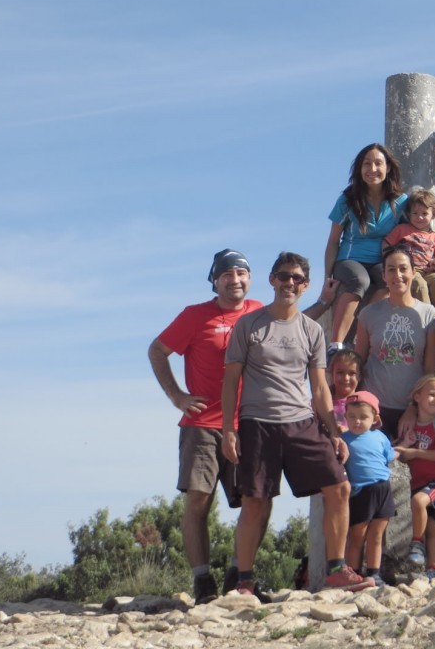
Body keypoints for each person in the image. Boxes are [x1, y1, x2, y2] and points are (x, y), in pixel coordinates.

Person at [221, 252, 374, 594]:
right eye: (284, 276)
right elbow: (230, 381)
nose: (289, 283)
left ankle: (336, 569)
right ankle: (244, 582)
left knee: (339, 487)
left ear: (305, 286)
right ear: (272, 279)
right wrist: (229, 430)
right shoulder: (248, 325)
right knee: (255, 501)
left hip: (301, 421)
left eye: (297, 278)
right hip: (256, 422)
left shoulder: (312, 331)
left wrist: (334, 433)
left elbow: (320, 387)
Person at [148, 249, 264, 604]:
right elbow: (157, 350)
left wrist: (324, 300)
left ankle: (237, 573)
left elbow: (296, 325)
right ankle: (202, 582)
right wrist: (176, 396)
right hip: (202, 423)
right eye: (227, 274)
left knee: (258, 499)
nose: (235, 279)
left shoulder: (260, 312)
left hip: (248, 422)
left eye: (241, 273)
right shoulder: (195, 315)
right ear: (215, 281)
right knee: (199, 500)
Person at [324, 143, 408, 354]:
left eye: (378, 163)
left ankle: (364, 334)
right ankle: (336, 343)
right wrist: (328, 277)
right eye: (366, 164)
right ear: (359, 169)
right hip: (350, 258)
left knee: (388, 279)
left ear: (388, 167)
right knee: (360, 281)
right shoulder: (348, 199)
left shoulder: (401, 201)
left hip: (382, 258)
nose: (372, 169)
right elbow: (333, 240)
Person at [354, 245, 435, 440]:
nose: (398, 275)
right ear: (384, 275)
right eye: (391, 269)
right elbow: (358, 361)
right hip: (373, 408)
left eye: (403, 268)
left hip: (412, 408)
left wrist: (414, 407)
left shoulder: (429, 314)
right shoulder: (368, 314)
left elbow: (431, 370)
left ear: (413, 272)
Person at [395, 375, 435, 578]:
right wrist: (404, 444)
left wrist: (416, 453)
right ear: (417, 396)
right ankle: (434, 568)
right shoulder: (411, 427)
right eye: (432, 394)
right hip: (418, 481)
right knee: (433, 524)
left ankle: (416, 544)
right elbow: (401, 456)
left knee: (418, 502)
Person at [340, 391, 397, 581]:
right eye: (352, 417)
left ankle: (374, 574)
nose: (357, 421)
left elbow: (390, 456)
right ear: (346, 416)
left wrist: (406, 446)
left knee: (377, 535)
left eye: (363, 417)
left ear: (375, 418)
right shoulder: (344, 439)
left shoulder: (381, 437)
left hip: (383, 488)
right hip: (361, 491)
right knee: (357, 535)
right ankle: (353, 574)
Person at [383, 188, 435, 310]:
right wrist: (389, 259)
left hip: (428, 271)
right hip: (410, 271)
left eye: (424, 214)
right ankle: (425, 313)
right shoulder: (402, 229)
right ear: (409, 214)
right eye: (415, 213)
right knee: (420, 284)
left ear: (433, 215)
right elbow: (386, 244)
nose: (419, 217)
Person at [329, 348, 364, 431]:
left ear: (359, 376)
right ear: (332, 374)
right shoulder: (322, 402)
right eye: (340, 372)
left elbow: (367, 433)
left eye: (352, 373)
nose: (346, 378)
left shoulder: (364, 405)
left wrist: (347, 431)